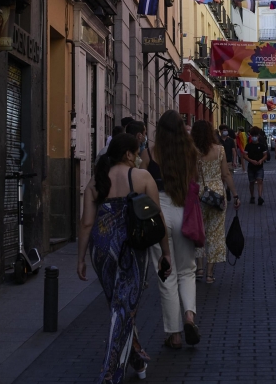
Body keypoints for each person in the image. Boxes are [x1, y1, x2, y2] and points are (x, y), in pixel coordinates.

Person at [77, 133, 172, 383]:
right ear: (128, 154)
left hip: (100, 247)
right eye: (138, 151)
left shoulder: (96, 181)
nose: (141, 155)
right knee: (123, 309)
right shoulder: (142, 177)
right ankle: (109, 373)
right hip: (130, 246)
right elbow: (157, 217)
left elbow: (86, 223)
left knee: (118, 306)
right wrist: (166, 253)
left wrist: (81, 258)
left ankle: (136, 359)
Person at [147, 110, 201, 349]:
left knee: (166, 273)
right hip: (183, 213)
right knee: (188, 271)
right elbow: (194, 183)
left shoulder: (150, 153)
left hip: (158, 213)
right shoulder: (190, 153)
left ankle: (174, 334)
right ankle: (189, 315)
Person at [192, 121, 240, 284]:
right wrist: (235, 195)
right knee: (215, 232)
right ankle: (210, 273)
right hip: (217, 194)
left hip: (198, 194)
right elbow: (226, 175)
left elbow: (191, 176)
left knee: (198, 231)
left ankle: (199, 268)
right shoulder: (219, 150)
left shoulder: (192, 152)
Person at [241, 126, 268, 205]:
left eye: (255, 136)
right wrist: (251, 160)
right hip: (251, 167)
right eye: (253, 136)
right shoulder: (248, 146)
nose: (254, 137)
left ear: (258, 136)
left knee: (260, 181)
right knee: (251, 182)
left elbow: (265, 155)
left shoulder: (262, 146)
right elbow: (244, 155)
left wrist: (261, 160)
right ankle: (252, 196)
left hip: (259, 166)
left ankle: (260, 197)